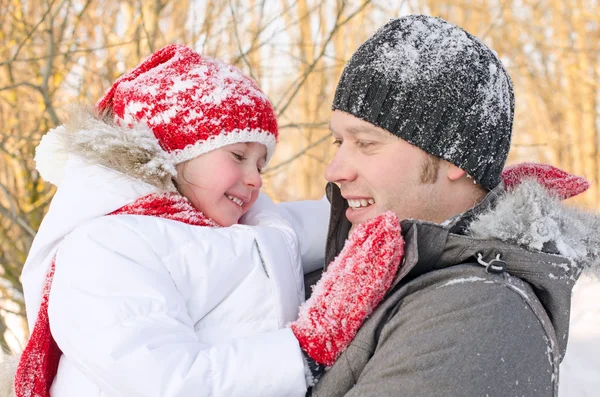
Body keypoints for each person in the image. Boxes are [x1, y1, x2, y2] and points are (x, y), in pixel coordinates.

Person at [10, 44, 404, 397]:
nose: (255, 178)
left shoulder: (255, 227)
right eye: (237, 156)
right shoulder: (105, 246)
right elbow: (164, 381)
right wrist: (305, 349)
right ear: (174, 152)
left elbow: (338, 220)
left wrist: (400, 197)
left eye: (261, 163)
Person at [305, 15, 599, 396]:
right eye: (337, 143)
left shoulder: (481, 316)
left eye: (366, 143)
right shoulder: (357, 271)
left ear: (455, 156)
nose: (335, 170)